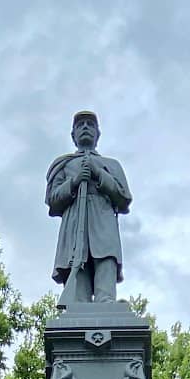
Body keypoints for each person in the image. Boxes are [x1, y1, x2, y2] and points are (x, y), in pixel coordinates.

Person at [46, 111, 132, 303]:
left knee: (105, 258)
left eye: (90, 124)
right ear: (73, 135)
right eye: (80, 125)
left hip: (103, 218)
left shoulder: (111, 164)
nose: (85, 127)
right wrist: (74, 182)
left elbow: (124, 197)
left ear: (98, 134)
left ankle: (106, 299)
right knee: (77, 261)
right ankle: (79, 301)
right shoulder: (63, 165)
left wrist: (99, 173)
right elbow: (52, 201)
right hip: (75, 220)